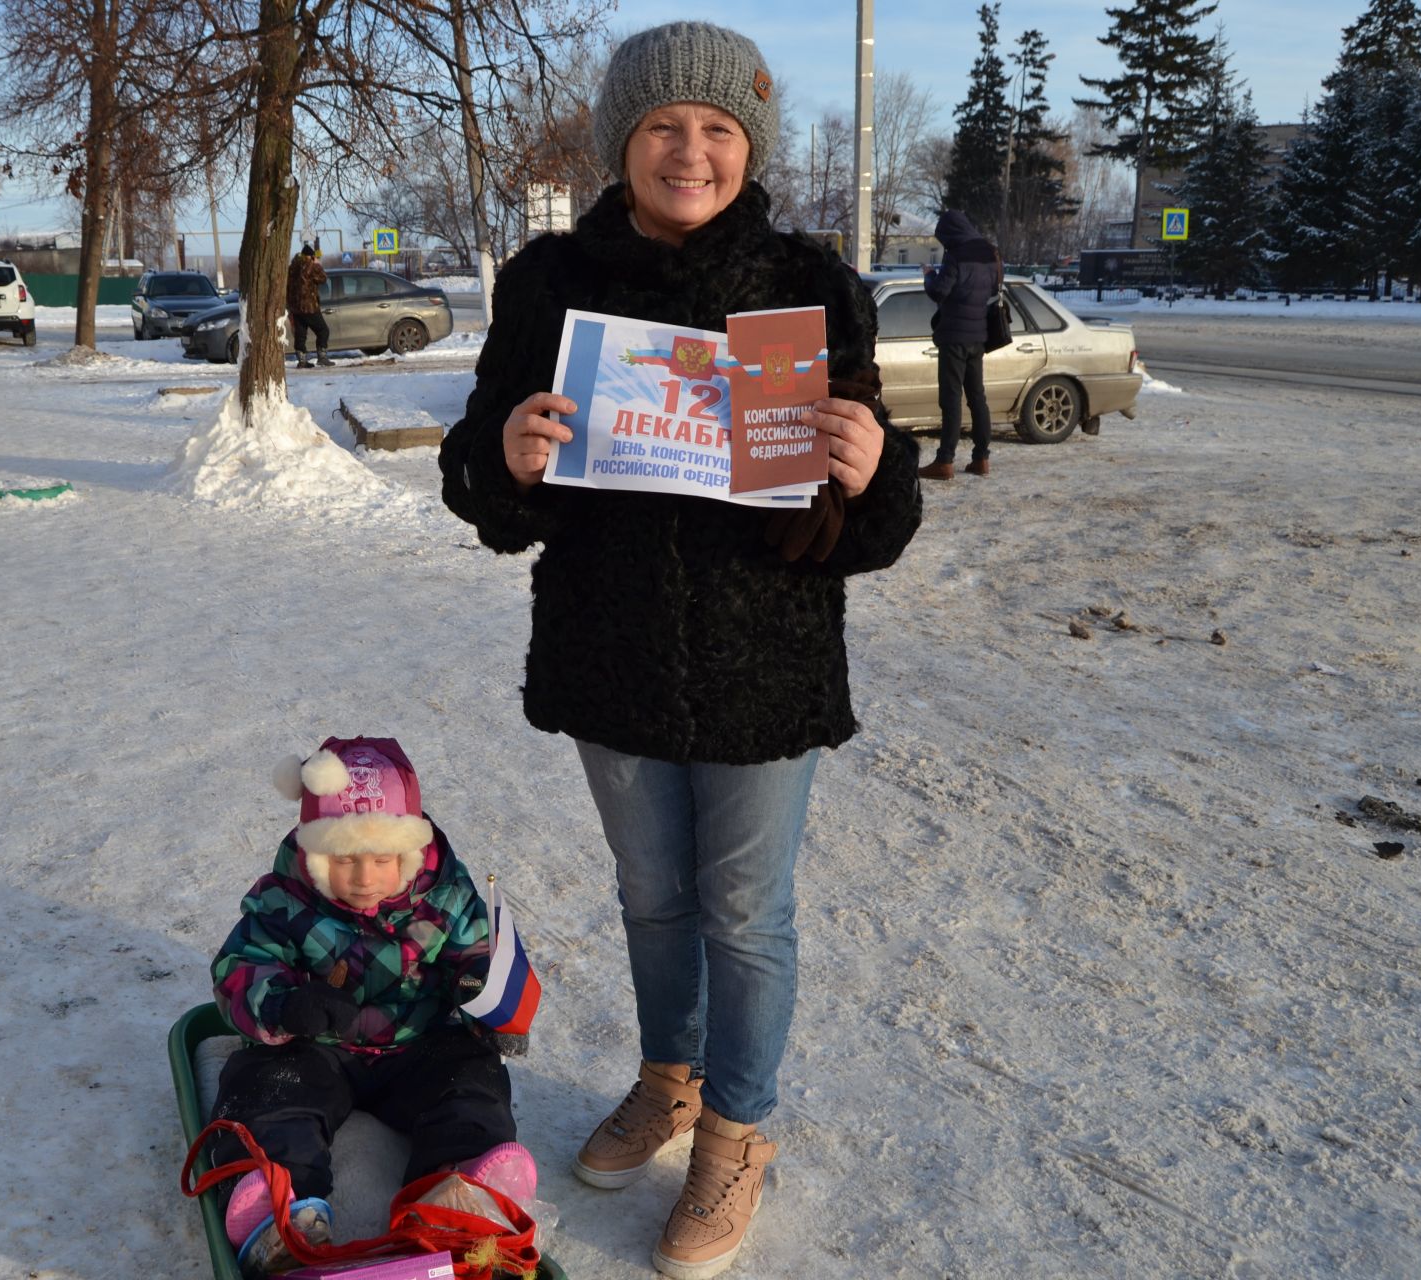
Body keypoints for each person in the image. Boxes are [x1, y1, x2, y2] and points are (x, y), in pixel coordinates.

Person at [437, 21, 922, 1280]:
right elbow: (481, 483)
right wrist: (508, 456)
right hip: (614, 652)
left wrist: (872, 474)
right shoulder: (549, 284)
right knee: (652, 898)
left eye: (715, 127)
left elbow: (870, 518)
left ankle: (739, 1131)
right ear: (622, 143)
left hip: (767, 662)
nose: (689, 150)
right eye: (662, 126)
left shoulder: (807, 278)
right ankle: (670, 1080)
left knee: (747, 914)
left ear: (747, 144)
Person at [208, 736, 537, 1276]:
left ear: (408, 853)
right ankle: (282, 1211)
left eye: (382, 859)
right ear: (313, 854)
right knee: (268, 1090)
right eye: (343, 859)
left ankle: (461, 1191)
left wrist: (483, 994)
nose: (363, 877)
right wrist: (286, 1007)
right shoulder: (283, 899)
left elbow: (476, 952)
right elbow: (239, 967)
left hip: (419, 1041)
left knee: (470, 1085)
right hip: (314, 1047)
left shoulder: (446, 896)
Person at [919, 210, 1001, 479]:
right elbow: (992, 289)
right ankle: (981, 458)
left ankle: (945, 461)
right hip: (978, 335)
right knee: (978, 397)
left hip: (954, 337)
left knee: (951, 399)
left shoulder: (956, 254)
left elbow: (939, 291)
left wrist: (930, 275)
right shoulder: (989, 252)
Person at [286, 242, 333, 368]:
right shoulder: (311, 267)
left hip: (295, 307)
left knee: (300, 334)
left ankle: (302, 360)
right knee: (323, 330)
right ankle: (322, 357)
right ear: (310, 257)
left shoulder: (292, 267)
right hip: (309, 306)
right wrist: (317, 264)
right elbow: (323, 279)